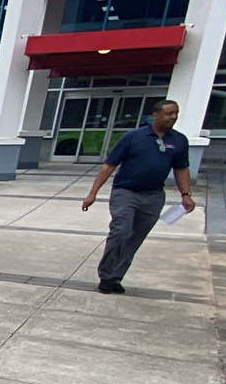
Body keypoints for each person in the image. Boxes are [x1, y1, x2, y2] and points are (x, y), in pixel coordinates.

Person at [80, 99, 195, 294]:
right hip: (125, 193)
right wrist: (92, 193)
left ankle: (115, 277)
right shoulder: (133, 137)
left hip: (154, 196)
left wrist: (186, 194)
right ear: (155, 115)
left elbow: (181, 168)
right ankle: (106, 275)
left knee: (135, 238)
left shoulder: (179, 141)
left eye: (175, 113)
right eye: (168, 113)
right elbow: (109, 165)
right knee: (121, 231)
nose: (173, 117)